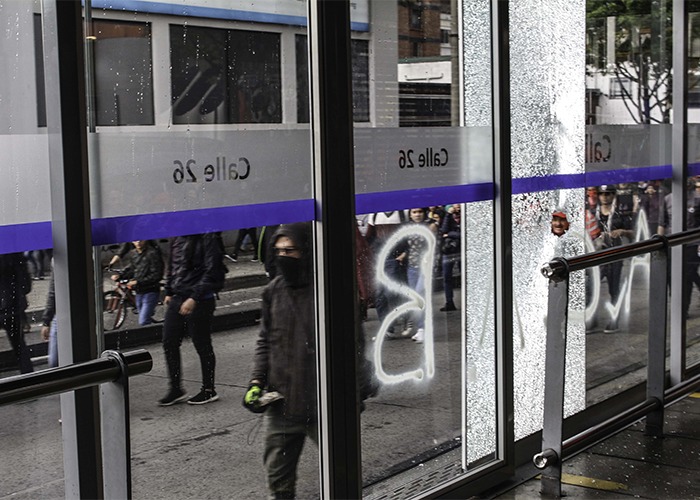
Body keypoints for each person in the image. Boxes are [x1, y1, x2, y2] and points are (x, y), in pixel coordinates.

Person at [243, 223, 317, 499]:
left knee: (342, 472)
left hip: (321, 404)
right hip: (282, 404)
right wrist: (255, 382)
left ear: (306, 251)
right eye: (279, 251)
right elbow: (265, 340)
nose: (284, 256)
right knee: (278, 480)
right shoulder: (273, 291)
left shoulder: (324, 289)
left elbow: (351, 343)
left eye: (291, 250)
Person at [158, 232, 225, 406]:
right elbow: (172, 266)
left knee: (202, 344)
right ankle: (175, 388)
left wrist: (194, 297)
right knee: (169, 341)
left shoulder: (209, 236)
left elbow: (213, 271)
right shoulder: (177, 236)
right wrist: (168, 291)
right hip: (178, 296)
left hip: (200, 299)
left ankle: (209, 389)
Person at [594, 185, 633, 333]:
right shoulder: (593, 212)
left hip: (614, 255)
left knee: (613, 288)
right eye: (602, 193)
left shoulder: (620, 213)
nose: (605, 196)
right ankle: (591, 318)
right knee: (591, 287)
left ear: (613, 195)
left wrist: (622, 231)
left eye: (608, 193)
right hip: (596, 255)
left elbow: (633, 232)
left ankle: (614, 320)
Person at [401, 207, 437, 343]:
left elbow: (434, 245)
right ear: (410, 214)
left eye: (419, 212)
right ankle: (421, 329)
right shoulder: (407, 227)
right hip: (412, 266)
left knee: (420, 294)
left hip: (426, 266)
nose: (417, 215)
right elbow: (407, 247)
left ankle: (423, 329)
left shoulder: (431, 225)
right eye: (414, 212)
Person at [111, 240, 164, 326]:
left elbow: (157, 274)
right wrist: (120, 276)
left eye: (141, 240)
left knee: (143, 321)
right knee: (144, 316)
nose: (138, 242)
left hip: (150, 290)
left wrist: (138, 281)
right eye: (135, 240)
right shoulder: (134, 254)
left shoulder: (153, 254)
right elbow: (132, 269)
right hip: (139, 291)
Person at [0, 253, 34, 374]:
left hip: (8, 304)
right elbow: (25, 283)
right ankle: (29, 379)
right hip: (12, 305)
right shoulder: (12, 251)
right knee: (20, 346)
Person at [440, 204, 461, 312]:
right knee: (447, 277)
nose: (457, 206)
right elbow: (443, 230)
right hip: (448, 251)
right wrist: (448, 215)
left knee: (465, 276)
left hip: (461, 251)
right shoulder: (449, 216)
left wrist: (449, 234)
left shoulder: (465, 216)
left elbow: (464, 234)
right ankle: (449, 302)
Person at [40, 261, 58, 368]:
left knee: (54, 363)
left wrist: (46, 321)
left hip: (61, 314)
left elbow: (53, 292)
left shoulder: (57, 261)